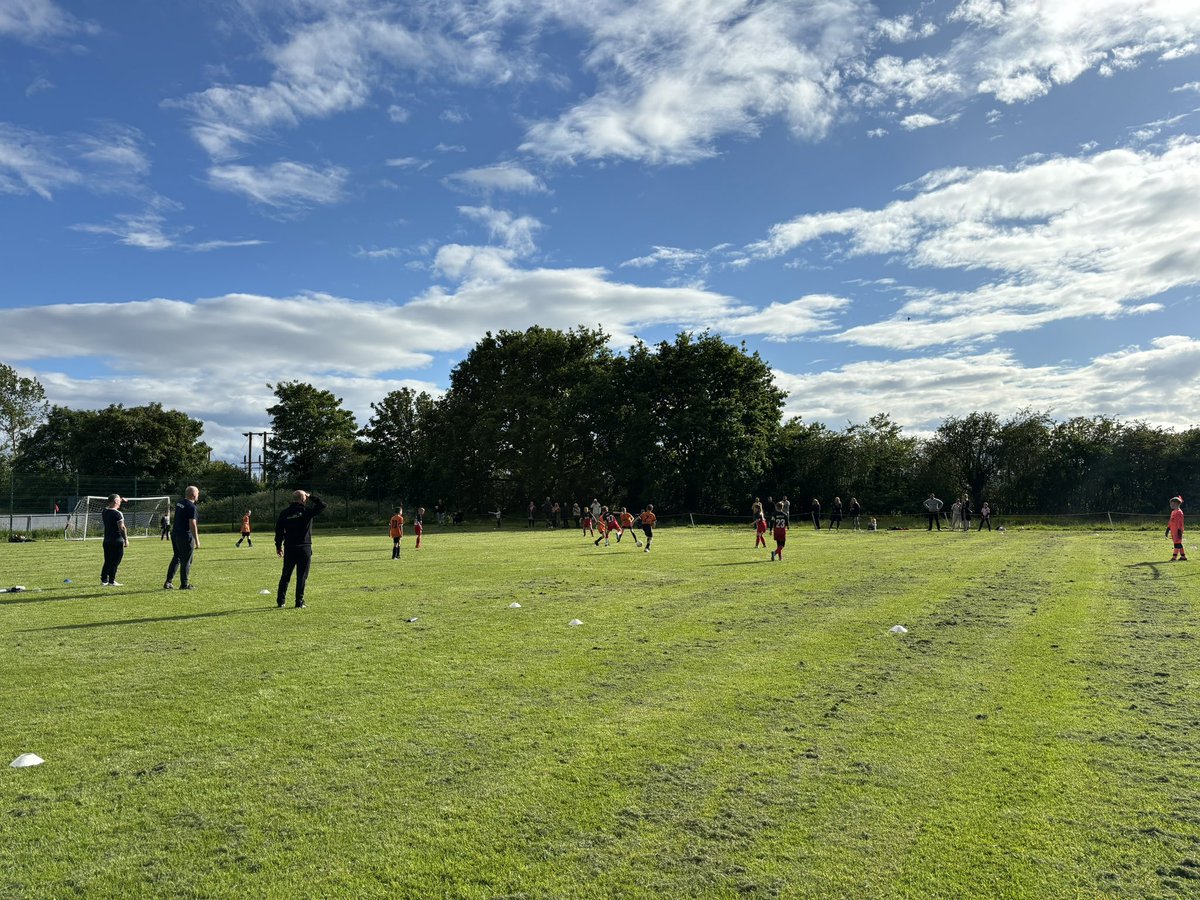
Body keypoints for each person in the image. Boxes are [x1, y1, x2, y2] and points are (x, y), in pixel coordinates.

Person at [275, 490, 327, 609]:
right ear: (304, 499)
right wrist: (311, 496)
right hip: (304, 547)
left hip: (289, 547)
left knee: (286, 575)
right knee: (302, 576)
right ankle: (299, 602)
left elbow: (279, 531)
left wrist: (278, 546)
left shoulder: (285, 513)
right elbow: (323, 505)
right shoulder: (306, 512)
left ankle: (281, 601)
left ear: (294, 499)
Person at [164, 486, 200, 590]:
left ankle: (168, 582)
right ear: (193, 495)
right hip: (185, 535)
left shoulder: (180, 503)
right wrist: (197, 540)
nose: (198, 495)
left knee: (177, 557)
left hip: (175, 534)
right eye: (198, 493)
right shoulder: (191, 507)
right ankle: (184, 584)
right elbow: (192, 524)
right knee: (186, 560)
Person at [100, 493, 128, 586]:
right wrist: (126, 539)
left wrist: (120, 499)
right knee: (115, 561)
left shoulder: (105, 511)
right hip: (117, 541)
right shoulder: (118, 514)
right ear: (116, 501)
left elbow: (111, 505)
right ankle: (111, 581)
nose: (120, 502)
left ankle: (104, 580)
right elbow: (122, 528)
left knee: (107, 561)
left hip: (107, 541)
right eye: (119, 501)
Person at [1168, 495, 1187, 562]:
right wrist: (1168, 529)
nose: (1171, 505)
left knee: (1177, 543)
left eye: (1172, 503)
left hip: (1177, 530)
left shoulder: (1179, 512)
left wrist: (1179, 531)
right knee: (1178, 543)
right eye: (1170, 503)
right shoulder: (1173, 512)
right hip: (1173, 530)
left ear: (1176, 504)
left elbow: (1180, 523)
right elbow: (1170, 521)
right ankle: (1183, 556)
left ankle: (1174, 557)